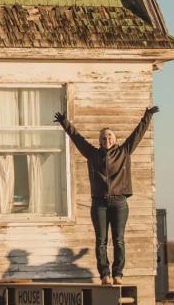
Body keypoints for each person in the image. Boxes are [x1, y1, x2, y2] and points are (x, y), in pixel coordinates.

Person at [54, 106, 159, 285]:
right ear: (100, 141)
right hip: (99, 203)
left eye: (109, 136)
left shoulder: (124, 151)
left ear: (115, 139)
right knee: (101, 241)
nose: (106, 139)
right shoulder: (92, 154)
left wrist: (147, 116)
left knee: (118, 240)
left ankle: (117, 274)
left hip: (119, 202)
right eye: (103, 137)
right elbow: (77, 138)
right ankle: (105, 275)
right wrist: (65, 123)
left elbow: (137, 134)